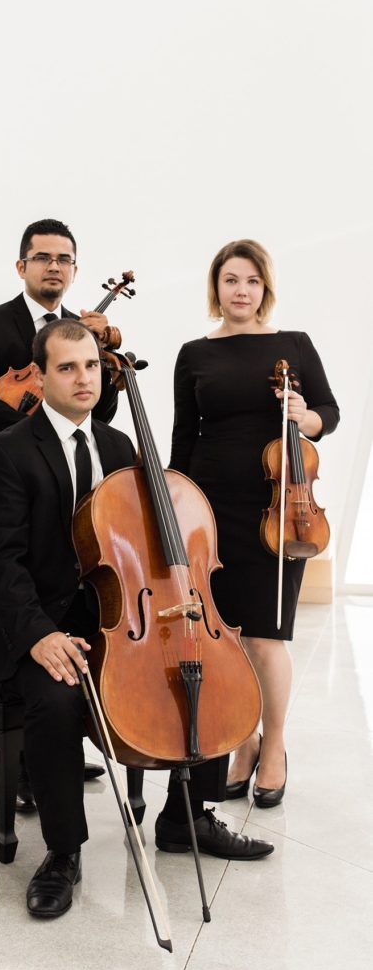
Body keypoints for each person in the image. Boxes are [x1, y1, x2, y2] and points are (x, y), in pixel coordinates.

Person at [0, 319, 274, 920]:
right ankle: (63, 852)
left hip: (123, 615)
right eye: (67, 367)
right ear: (40, 376)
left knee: (197, 666)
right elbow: (0, 564)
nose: (84, 378)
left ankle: (186, 818)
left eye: (92, 367)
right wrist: (40, 636)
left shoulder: (121, 447)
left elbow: (142, 546)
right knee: (56, 698)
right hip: (40, 621)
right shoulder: (5, 453)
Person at [0, 217, 117, 803]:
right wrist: (36, 434)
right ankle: (31, 760)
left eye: (64, 259)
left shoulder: (82, 334)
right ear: (22, 266)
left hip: (72, 473)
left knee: (66, 575)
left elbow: (100, 411)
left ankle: (55, 746)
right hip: (7, 472)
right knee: (15, 576)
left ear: (75, 269)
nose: (53, 267)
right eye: (42, 257)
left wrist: (100, 363)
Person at [170, 239, 339, 809]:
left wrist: (306, 417)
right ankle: (243, 744)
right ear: (216, 288)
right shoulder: (194, 353)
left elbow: (330, 413)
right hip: (210, 509)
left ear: (265, 288)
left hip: (279, 509)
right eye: (230, 280)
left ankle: (275, 745)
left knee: (266, 638)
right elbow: (183, 435)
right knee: (224, 637)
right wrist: (175, 502)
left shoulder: (294, 345)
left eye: (251, 281)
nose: (241, 291)